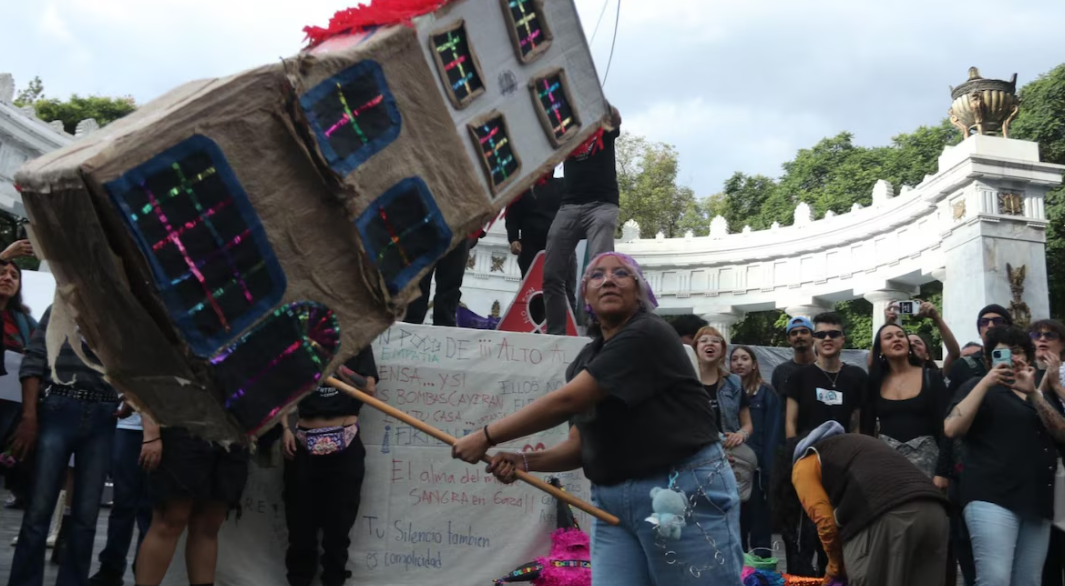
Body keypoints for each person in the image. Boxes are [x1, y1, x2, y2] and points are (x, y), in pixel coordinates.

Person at [452, 252, 743, 585]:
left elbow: (568, 400)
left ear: (639, 291)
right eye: (596, 275)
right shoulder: (584, 361)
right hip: (613, 504)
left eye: (621, 273)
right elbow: (580, 446)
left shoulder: (648, 333)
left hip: (678, 494)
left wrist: (486, 436)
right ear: (585, 296)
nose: (608, 280)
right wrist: (524, 461)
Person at [8, 305, 120, 586]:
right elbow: (34, 358)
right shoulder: (60, 307)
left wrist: (132, 397)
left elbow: (137, 362)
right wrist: (29, 416)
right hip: (59, 404)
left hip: (103, 411)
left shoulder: (122, 309)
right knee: (38, 508)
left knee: (86, 514)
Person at [944, 326, 1065, 586]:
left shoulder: (1038, 394)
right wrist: (987, 380)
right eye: (1003, 354)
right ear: (989, 360)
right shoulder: (976, 386)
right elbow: (952, 427)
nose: (1013, 359)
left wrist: (1033, 393)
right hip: (991, 497)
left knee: (1029, 581)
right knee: (995, 578)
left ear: (1030, 358)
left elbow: (1061, 433)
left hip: (1036, 501)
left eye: (1018, 352)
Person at [787, 422, 950, 585]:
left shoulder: (804, 463)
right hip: (936, 513)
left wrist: (835, 567)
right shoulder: (861, 446)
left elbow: (825, 523)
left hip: (890, 517)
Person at [280, 348, 377, 586]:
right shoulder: (299, 344)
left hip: (345, 440)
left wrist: (337, 367)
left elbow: (369, 388)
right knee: (300, 528)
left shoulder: (358, 344)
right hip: (303, 440)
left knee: (338, 530)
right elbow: (281, 393)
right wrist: (285, 429)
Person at [134, 418, 249, 585]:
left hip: (233, 429)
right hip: (181, 424)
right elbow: (148, 392)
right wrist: (151, 434)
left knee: (209, 523)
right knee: (171, 519)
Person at [543, 107, 622, 335]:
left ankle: (598, 330)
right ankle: (555, 333)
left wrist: (597, 100)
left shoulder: (604, 127)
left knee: (600, 270)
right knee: (551, 274)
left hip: (602, 205)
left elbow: (616, 117)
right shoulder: (565, 136)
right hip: (569, 207)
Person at [861, 324, 951, 482]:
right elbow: (867, 431)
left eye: (900, 335)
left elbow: (946, 428)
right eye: (888, 337)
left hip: (929, 468)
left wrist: (942, 473)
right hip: (887, 467)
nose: (896, 339)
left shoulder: (931, 377)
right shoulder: (874, 383)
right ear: (880, 349)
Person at [87, 408, 157, 586]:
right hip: (128, 427)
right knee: (123, 503)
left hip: (163, 432)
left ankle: (144, 572)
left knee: (150, 509)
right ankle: (111, 568)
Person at [0, 242, 41, 511]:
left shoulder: (25, 321)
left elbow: (43, 354)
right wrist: (4, 256)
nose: (7, 278)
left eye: (14, 275)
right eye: (2, 272)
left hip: (13, 409)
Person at [729, 345, 781, 554]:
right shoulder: (726, 393)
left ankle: (762, 577)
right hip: (732, 470)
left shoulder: (767, 393)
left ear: (754, 364)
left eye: (744, 358)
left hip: (758, 472)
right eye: (734, 359)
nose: (739, 363)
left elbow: (774, 433)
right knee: (735, 529)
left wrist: (769, 472)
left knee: (760, 531)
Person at [783, 312, 867, 439]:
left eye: (834, 334)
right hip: (809, 453)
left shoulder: (857, 376)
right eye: (821, 335)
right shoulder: (797, 377)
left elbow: (857, 426)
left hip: (846, 452)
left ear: (842, 339)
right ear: (814, 340)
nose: (827, 338)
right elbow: (790, 424)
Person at [1029, 319, 1065, 586]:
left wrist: (1057, 384)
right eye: (1036, 335)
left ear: (1061, 344)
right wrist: (1043, 383)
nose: (1042, 339)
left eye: (1050, 335)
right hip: (1037, 474)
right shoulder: (1025, 373)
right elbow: (1031, 413)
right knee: (1046, 555)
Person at [692, 326, 752, 447]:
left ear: (723, 349)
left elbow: (748, 424)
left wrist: (741, 435)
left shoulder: (734, 382)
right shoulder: (685, 382)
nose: (710, 343)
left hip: (730, 452)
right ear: (695, 348)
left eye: (715, 341)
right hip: (696, 455)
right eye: (704, 340)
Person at [403, 233, 476, 327]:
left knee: (451, 285)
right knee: (419, 281)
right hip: (426, 227)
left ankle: (445, 326)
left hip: (460, 230)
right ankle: (409, 324)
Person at [506, 175, 565, 279]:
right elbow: (512, 216)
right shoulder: (523, 187)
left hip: (556, 245)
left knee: (558, 285)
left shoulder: (562, 185)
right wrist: (513, 238)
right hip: (530, 246)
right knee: (531, 284)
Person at [882, 299, 961, 375]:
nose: (912, 344)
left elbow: (954, 353)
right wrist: (887, 325)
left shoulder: (935, 377)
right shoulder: (887, 377)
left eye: (918, 342)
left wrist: (936, 317)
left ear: (927, 356)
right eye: (909, 343)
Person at [946, 304, 1013, 394]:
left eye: (997, 321)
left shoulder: (1020, 362)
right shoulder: (962, 366)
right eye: (984, 322)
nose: (990, 325)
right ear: (979, 330)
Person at [770, 316, 816, 395]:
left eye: (804, 332)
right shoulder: (780, 371)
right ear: (788, 339)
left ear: (813, 337)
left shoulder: (824, 368)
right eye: (794, 333)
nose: (799, 336)